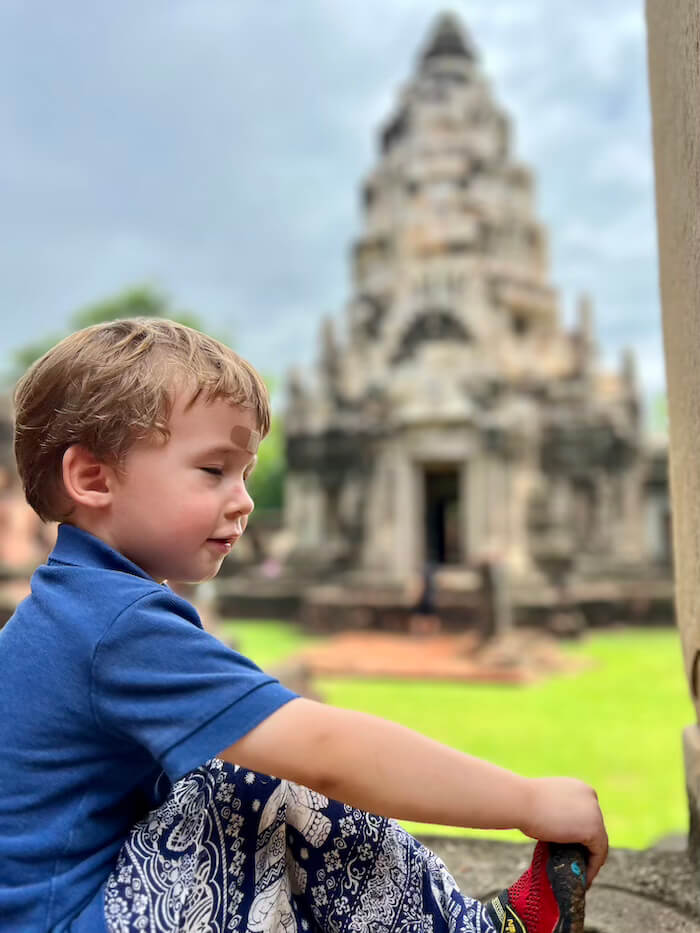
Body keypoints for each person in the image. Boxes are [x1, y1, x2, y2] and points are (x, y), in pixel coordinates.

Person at [0, 319, 607, 933]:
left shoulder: (77, 602)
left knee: (237, 766)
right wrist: (528, 802)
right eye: (214, 470)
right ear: (93, 478)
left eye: (245, 473)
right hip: (70, 918)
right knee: (266, 780)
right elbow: (325, 752)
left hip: (80, 902)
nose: (244, 500)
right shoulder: (117, 625)